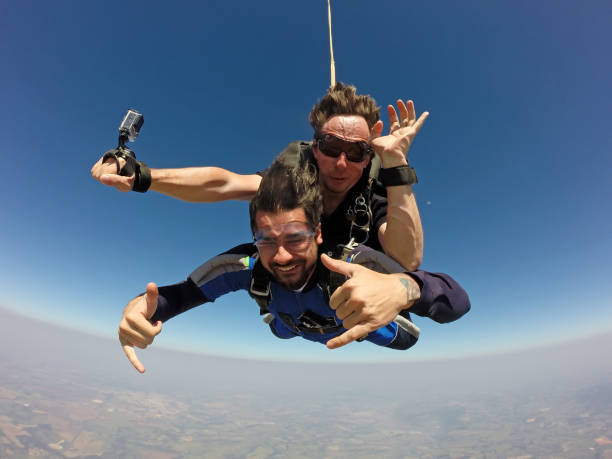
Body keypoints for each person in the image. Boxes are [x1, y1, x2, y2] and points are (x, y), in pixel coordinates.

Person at [119, 160, 470, 373]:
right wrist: (139, 309)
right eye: (267, 240)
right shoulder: (249, 265)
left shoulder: (349, 265)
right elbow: (180, 295)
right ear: (254, 237)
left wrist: (401, 288)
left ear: (318, 234)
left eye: (296, 238)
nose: (282, 256)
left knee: (404, 338)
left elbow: (456, 301)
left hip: (350, 324)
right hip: (289, 323)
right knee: (280, 327)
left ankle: (345, 321)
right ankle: (280, 318)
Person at [92, 83, 429, 271]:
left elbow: (406, 259)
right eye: (330, 146)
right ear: (315, 147)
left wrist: (396, 162)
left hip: (357, 282)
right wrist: (141, 175)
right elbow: (226, 184)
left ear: (368, 155)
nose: (342, 163)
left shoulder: (378, 182)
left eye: (356, 152)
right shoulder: (299, 173)